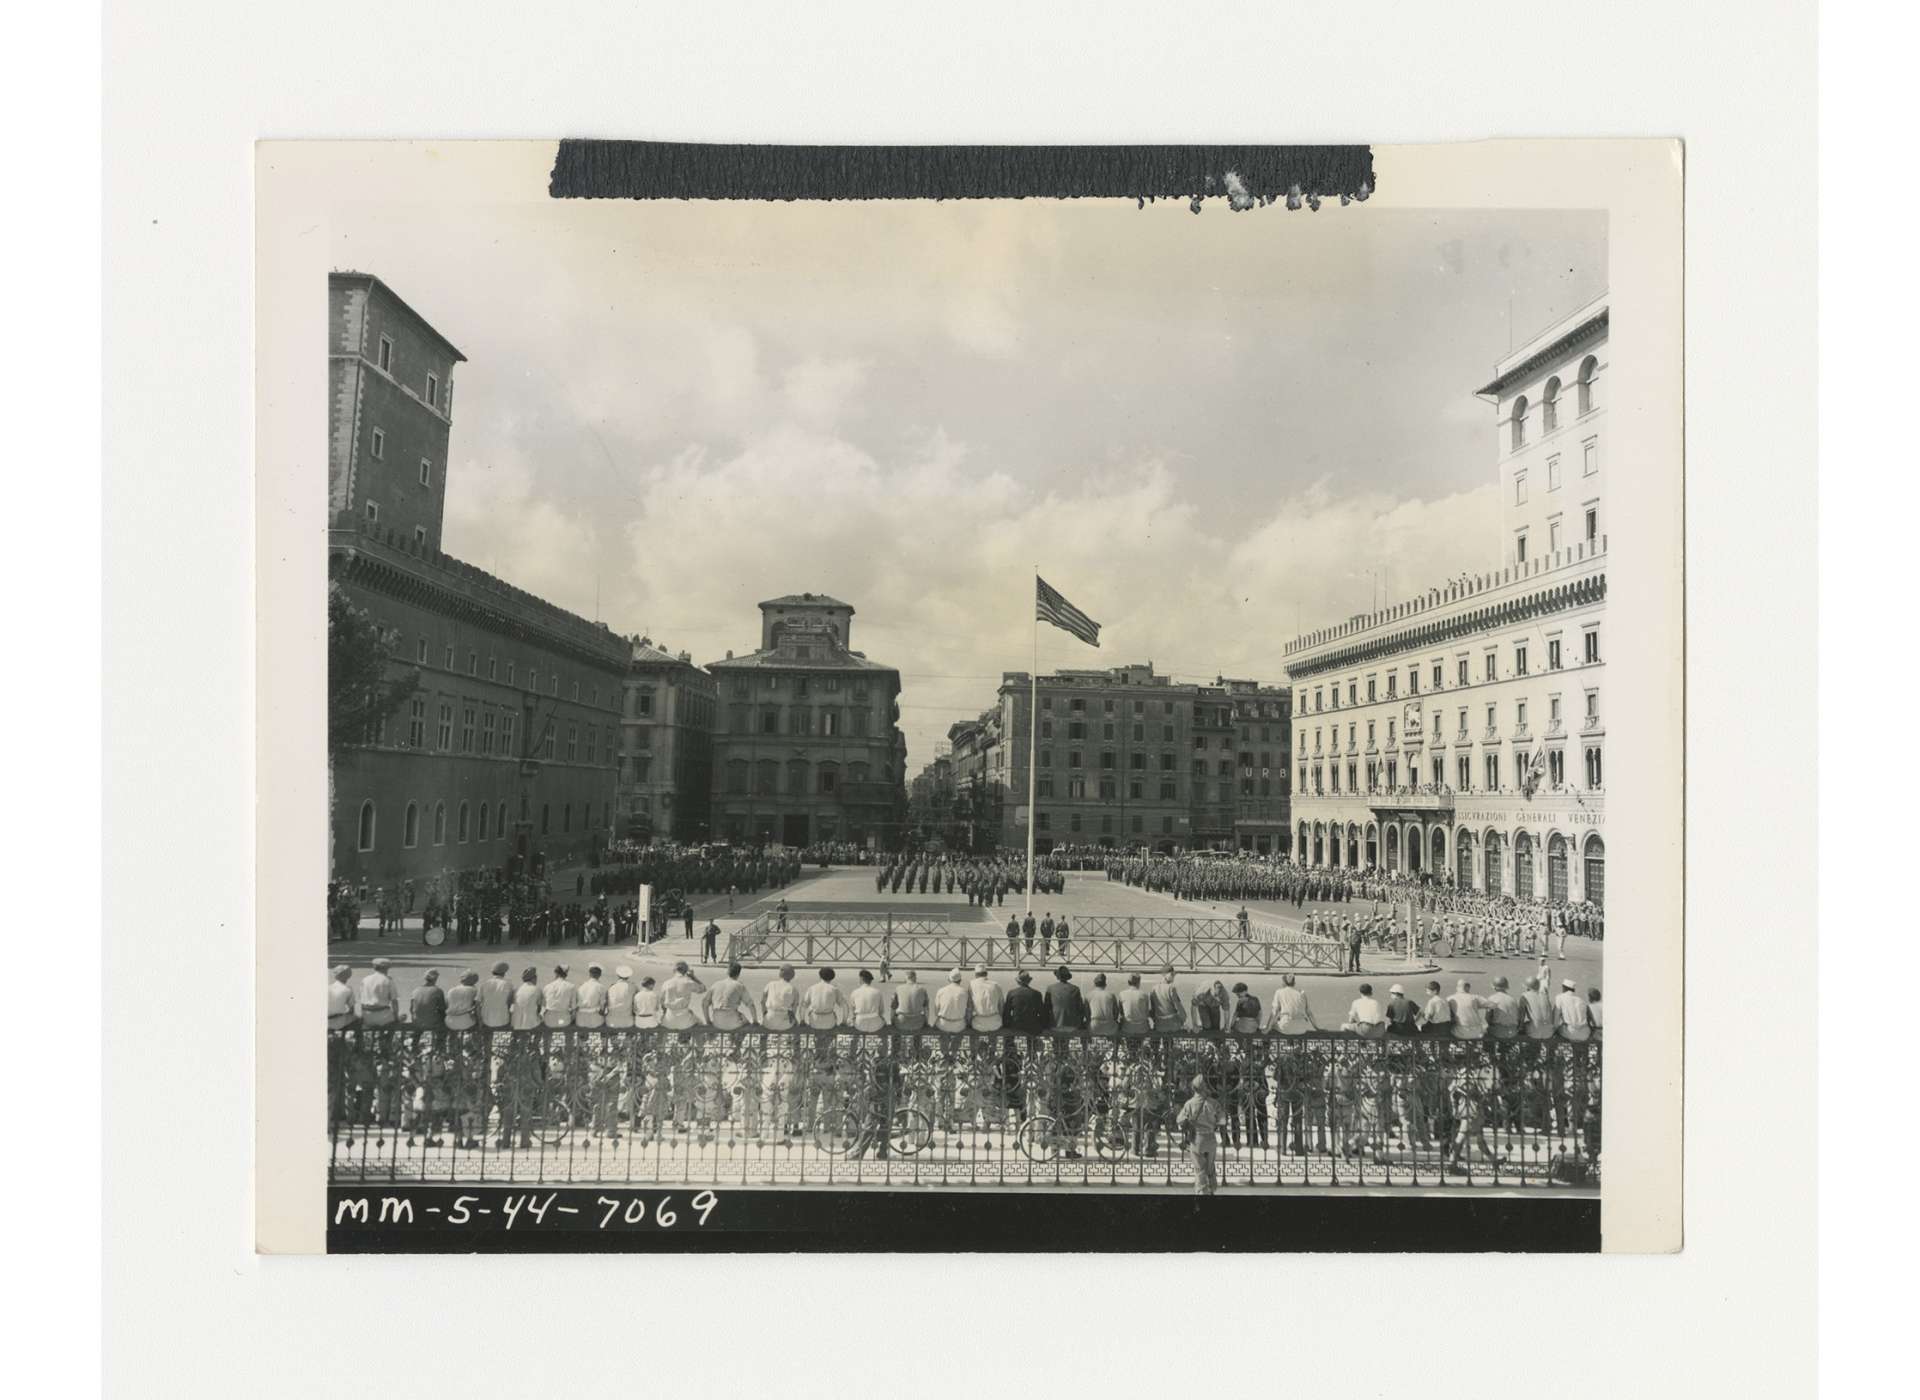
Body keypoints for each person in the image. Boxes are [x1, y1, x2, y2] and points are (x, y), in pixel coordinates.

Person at [1177, 1073, 1222, 1196]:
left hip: (1197, 1139)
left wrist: (1189, 1123)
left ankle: (1202, 1191)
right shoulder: (1214, 1103)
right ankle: (1212, 1188)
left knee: (1199, 1168)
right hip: (1211, 1138)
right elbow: (1223, 1120)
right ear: (1205, 1088)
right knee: (1210, 1165)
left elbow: (1179, 1120)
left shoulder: (1189, 1104)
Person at [708, 961, 755, 1030]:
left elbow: (704, 1003)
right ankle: (735, 1040)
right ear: (738, 974)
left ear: (727, 972)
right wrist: (755, 1021)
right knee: (747, 1024)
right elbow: (751, 1005)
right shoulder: (740, 986)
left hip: (716, 1020)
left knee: (737, 1017)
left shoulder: (716, 984)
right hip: (732, 1020)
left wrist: (708, 1020)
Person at [661, 961, 705, 1030]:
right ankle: (686, 1040)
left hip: (669, 1019)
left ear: (674, 970)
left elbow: (662, 1002)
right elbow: (703, 989)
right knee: (698, 1022)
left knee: (688, 1016)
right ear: (686, 971)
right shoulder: (688, 981)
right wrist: (693, 977)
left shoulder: (666, 983)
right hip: (684, 1019)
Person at [357, 958, 397, 1027]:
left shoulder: (365, 979)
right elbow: (394, 1001)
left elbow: (361, 999)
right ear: (387, 968)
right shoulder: (388, 980)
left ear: (374, 967)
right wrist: (396, 1017)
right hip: (383, 1016)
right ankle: (388, 1037)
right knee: (401, 1017)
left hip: (367, 1015)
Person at [1046, 966, 1088, 1031]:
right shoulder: (1075, 989)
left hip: (1055, 1024)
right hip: (1072, 1025)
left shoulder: (1051, 988)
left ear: (1058, 977)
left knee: (1057, 1040)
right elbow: (1080, 1008)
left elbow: (1046, 1007)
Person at [1149, 966, 1187, 1033]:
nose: (1173, 977)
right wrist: (1183, 1020)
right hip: (1173, 1025)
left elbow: (1152, 1010)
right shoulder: (1171, 989)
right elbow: (1179, 1008)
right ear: (1164, 975)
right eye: (1172, 974)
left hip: (1159, 1025)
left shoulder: (1153, 989)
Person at [761, 963, 799, 1030]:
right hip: (784, 1023)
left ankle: (763, 1040)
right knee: (796, 1024)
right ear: (792, 976)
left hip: (769, 1020)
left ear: (780, 974)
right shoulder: (793, 989)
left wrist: (764, 1013)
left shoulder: (770, 984)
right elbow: (794, 1008)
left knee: (765, 1024)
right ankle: (793, 1040)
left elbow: (762, 1002)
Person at [933, 968, 971, 1034]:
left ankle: (944, 1044)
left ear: (949, 979)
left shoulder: (941, 991)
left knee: (938, 1026)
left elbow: (936, 1012)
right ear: (960, 980)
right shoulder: (964, 992)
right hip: (959, 1025)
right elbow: (968, 1010)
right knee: (964, 1028)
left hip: (943, 1024)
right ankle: (955, 1043)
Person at [968, 964, 1005, 1031]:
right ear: (986, 974)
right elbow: (1001, 1006)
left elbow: (970, 1007)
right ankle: (992, 1041)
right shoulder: (996, 985)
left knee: (973, 1031)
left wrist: (968, 1021)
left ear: (975, 975)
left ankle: (975, 1041)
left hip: (978, 1022)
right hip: (995, 1022)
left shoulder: (972, 984)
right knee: (993, 1034)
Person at [479, 961, 514, 1031]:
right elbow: (509, 1003)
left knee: (487, 1040)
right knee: (501, 1040)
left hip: (486, 1019)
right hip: (502, 1020)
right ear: (504, 973)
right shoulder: (508, 984)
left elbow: (479, 1002)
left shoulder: (484, 983)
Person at [1117, 972, 1153, 1036]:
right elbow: (1147, 1013)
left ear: (1128, 982)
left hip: (1127, 1028)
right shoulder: (1144, 995)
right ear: (1139, 983)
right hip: (1142, 1028)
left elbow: (1121, 1012)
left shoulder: (1122, 994)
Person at [575, 964, 609, 1029]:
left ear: (589, 974)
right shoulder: (601, 987)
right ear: (599, 975)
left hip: (580, 1019)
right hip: (594, 1019)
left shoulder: (581, 986)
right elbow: (602, 1006)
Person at [327, 965, 356, 1030]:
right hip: (338, 1022)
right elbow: (352, 1010)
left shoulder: (328, 988)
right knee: (356, 1018)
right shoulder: (348, 989)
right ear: (348, 977)